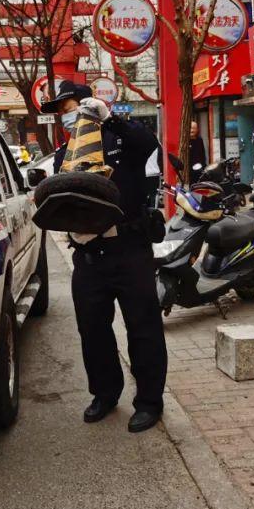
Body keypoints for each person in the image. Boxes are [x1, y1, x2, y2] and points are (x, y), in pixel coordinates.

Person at [43, 80, 168, 433]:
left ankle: (148, 402)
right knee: (92, 330)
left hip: (129, 250)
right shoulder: (63, 155)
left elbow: (149, 145)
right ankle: (105, 393)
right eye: (61, 111)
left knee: (143, 329)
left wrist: (110, 119)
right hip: (88, 256)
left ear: (87, 105)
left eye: (68, 107)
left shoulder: (121, 141)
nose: (65, 116)